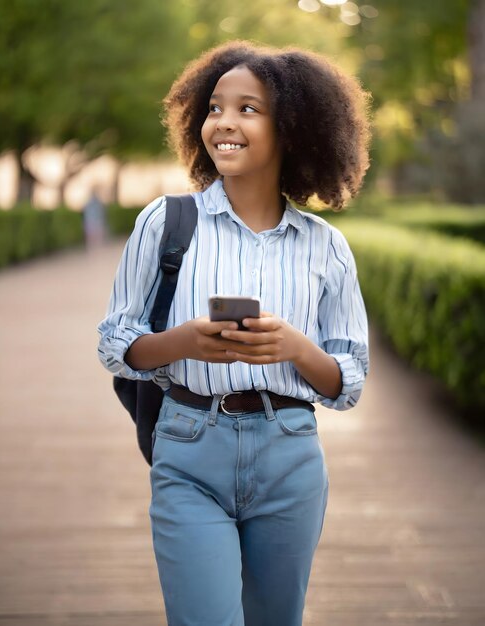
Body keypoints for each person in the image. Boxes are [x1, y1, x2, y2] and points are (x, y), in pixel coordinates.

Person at [97, 40, 371, 626]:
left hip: (291, 455)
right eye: (216, 106)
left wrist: (295, 347)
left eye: (249, 109)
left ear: (293, 129)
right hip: (190, 447)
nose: (223, 122)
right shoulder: (165, 221)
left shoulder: (326, 246)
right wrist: (186, 342)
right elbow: (116, 342)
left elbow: (348, 381)